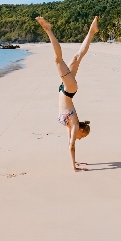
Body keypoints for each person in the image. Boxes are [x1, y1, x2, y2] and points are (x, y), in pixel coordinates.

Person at [35, 16, 97, 171]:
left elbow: (69, 143)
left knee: (77, 56)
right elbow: (71, 147)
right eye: (81, 137)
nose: (79, 138)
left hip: (67, 89)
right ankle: (48, 30)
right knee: (58, 60)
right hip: (69, 89)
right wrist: (73, 167)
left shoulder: (72, 127)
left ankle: (92, 31)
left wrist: (75, 163)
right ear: (81, 131)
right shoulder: (75, 125)